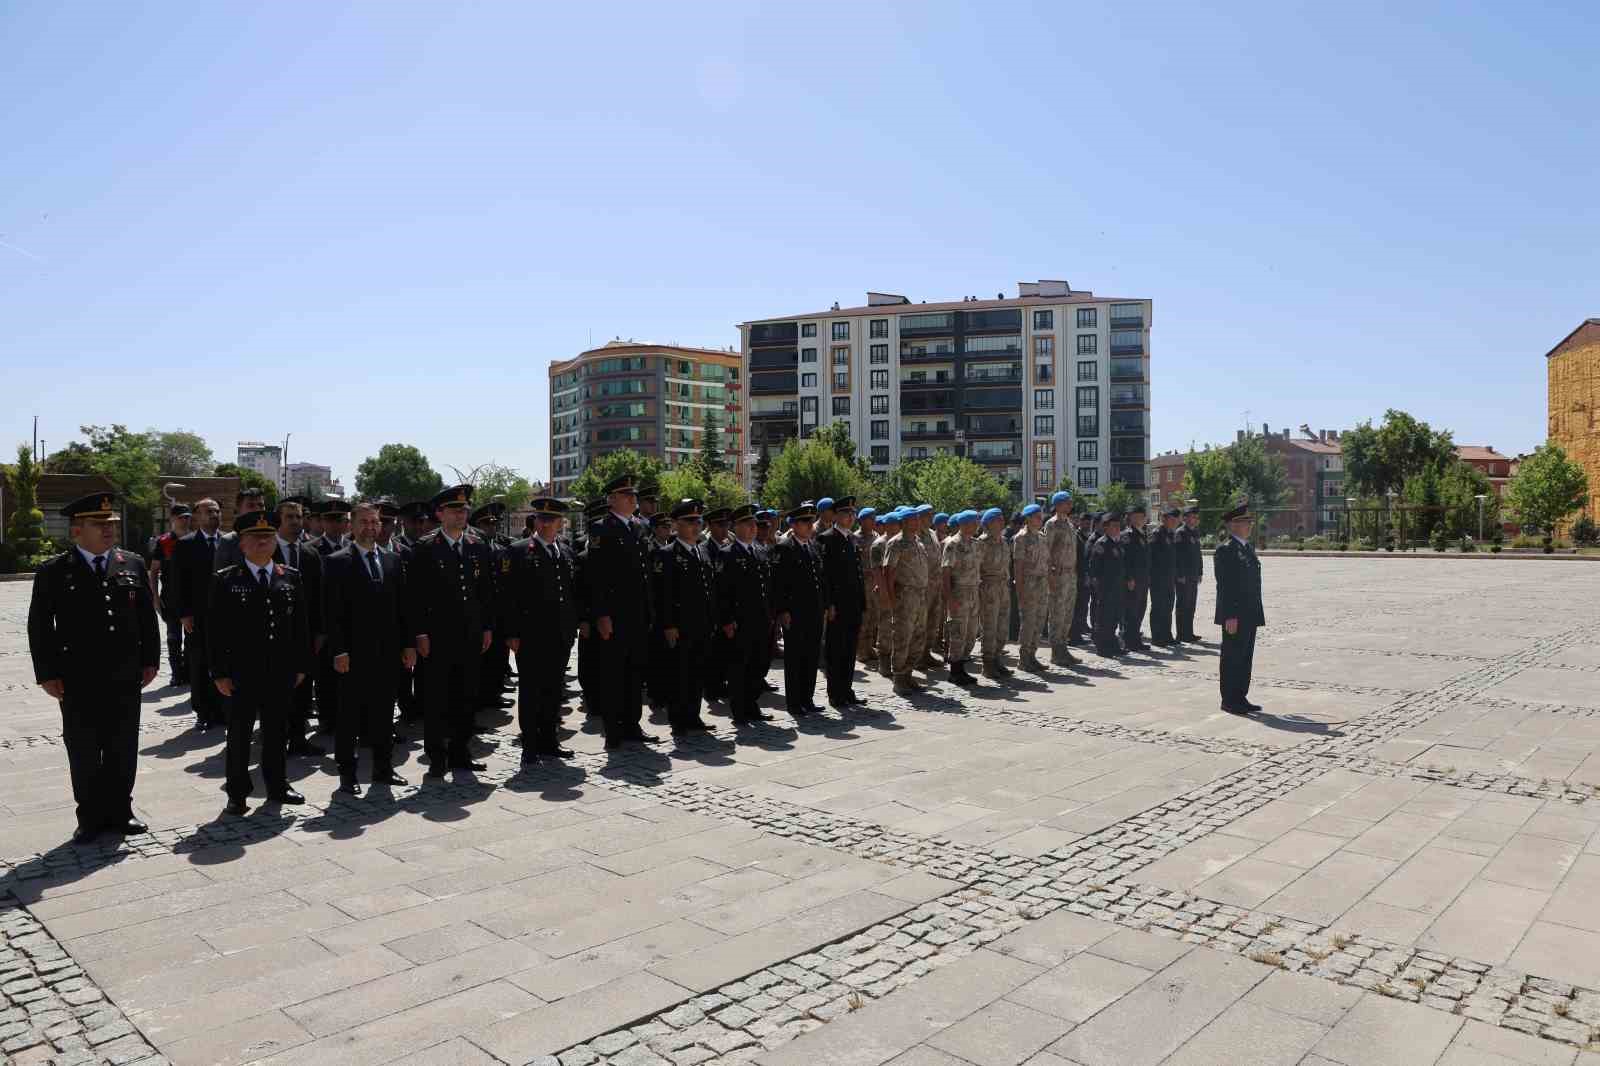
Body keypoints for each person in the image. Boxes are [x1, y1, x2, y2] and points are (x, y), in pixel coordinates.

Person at [28, 493, 159, 843]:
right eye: (99, 525)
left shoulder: (131, 563)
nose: (108, 530)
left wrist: (150, 660)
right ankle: (89, 815)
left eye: (112, 524)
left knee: (122, 744)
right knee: (84, 747)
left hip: (124, 673)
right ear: (76, 532)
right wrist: (47, 674)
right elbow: (40, 627)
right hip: (77, 677)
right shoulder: (54, 571)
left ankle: (121, 810)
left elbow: (147, 617)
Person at [208, 509, 310, 815]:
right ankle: (237, 792)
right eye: (256, 538)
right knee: (239, 735)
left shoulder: (290, 578)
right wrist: (219, 672)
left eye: (268, 537)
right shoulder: (226, 580)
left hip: (280, 671)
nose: (264, 543)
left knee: (277, 732)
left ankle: (278, 785)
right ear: (242, 544)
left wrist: (302, 665)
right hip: (241, 672)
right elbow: (215, 630)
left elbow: (301, 627)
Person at [324, 501, 413, 794]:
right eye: (364, 522)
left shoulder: (392, 560)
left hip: (387, 654)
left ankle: (383, 769)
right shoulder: (337, 561)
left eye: (374, 522)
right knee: (349, 716)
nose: (370, 527)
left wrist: (408, 645)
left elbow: (403, 608)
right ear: (351, 525)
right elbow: (331, 612)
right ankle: (347, 774)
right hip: (352, 654)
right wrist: (338, 651)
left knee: (383, 714)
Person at [407, 485, 495, 775]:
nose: (462, 514)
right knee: (436, 699)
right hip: (437, 637)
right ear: (440, 513)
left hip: (469, 634)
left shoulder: (476, 545)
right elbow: (415, 597)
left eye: (465, 510)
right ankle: (436, 757)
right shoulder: (425, 547)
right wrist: (419, 633)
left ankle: (461, 752)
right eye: (456, 510)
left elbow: (484, 592)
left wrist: (486, 626)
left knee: (466, 696)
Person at [501, 498, 579, 763]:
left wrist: (573, 626)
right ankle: (530, 744)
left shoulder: (565, 551)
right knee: (532, 690)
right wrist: (511, 632)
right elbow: (509, 596)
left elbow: (570, 593)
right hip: (531, 635)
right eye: (541, 518)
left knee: (554, 689)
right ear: (535, 521)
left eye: (551, 519)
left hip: (560, 635)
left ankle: (549, 740)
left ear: (560, 523)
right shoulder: (519, 550)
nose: (545, 523)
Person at [585, 475, 660, 750]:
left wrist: (650, 610)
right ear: (612, 499)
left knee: (634, 673)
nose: (632, 498)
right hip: (615, 616)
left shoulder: (640, 527)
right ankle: (613, 730)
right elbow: (596, 577)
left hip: (638, 613)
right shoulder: (601, 529)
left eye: (633, 494)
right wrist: (601, 615)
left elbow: (645, 574)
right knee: (614, 674)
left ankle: (632, 724)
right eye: (625, 494)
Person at [653, 499, 717, 736]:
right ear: (676, 524)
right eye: (690, 521)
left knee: (698, 672)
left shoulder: (703, 551)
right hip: (680, 625)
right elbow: (663, 594)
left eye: (698, 521)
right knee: (680, 673)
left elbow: (710, 589)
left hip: (702, 623)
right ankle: (678, 719)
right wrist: (668, 624)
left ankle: (694, 715)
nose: (695, 526)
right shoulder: (667, 554)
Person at [273, 499, 326, 757]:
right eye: (290, 517)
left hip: (304, 634)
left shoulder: (310, 554)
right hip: (273, 633)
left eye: (298, 517)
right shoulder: (266, 550)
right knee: (276, 691)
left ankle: (298, 739)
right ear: (279, 521)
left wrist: (319, 632)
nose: (295, 521)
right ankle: (274, 739)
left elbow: (318, 597)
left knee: (303, 688)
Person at [717, 504, 774, 725]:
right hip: (739, 621)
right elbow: (722, 591)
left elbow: (767, 586)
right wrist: (727, 620)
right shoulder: (727, 554)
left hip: (760, 618)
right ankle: (739, 710)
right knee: (739, 666)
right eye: (747, 524)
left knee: (758, 665)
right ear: (735, 527)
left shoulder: (760, 550)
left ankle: (752, 704)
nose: (752, 528)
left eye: (754, 524)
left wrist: (771, 613)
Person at [174, 497, 225, 730]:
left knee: (224, 661)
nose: (214, 515)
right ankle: (203, 711)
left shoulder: (230, 542)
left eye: (216, 511)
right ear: (197, 516)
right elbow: (178, 582)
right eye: (208, 512)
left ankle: (224, 708)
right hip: (198, 615)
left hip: (225, 615)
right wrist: (184, 613)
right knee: (199, 662)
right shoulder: (185, 544)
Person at [771, 503, 825, 717]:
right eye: (805, 522)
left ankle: (807, 698)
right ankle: (794, 702)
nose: (810, 525)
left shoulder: (813, 546)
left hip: (814, 611)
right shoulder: (784, 547)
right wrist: (782, 610)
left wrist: (825, 604)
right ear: (793, 525)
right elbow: (778, 584)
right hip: (795, 613)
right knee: (795, 658)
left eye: (811, 521)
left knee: (811, 656)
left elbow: (821, 579)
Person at [1216, 502, 1265, 715]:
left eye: (1250, 522)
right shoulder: (1226, 550)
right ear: (1233, 525)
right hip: (1235, 614)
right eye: (1246, 522)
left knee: (1245, 656)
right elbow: (1225, 586)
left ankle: (1241, 696)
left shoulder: (1246, 548)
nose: (1250, 525)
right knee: (1232, 656)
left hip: (1250, 612)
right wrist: (1230, 616)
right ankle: (1229, 699)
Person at [817, 495, 866, 708]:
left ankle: (847, 689)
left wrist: (862, 603)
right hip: (837, 605)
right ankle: (835, 693)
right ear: (835, 515)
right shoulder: (826, 539)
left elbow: (858, 575)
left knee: (850, 648)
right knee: (836, 649)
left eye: (853, 513)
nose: (850, 517)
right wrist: (829, 604)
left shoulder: (852, 539)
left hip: (853, 604)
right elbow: (825, 576)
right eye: (846, 513)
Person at [883, 506, 931, 694]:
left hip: (920, 595)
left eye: (918, 519)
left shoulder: (918, 542)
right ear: (903, 523)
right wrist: (892, 599)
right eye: (913, 520)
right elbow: (889, 572)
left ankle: (909, 674)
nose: (917, 522)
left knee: (918, 636)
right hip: (905, 596)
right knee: (903, 636)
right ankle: (899, 678)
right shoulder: (896, 543)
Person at [147, 502, 191, 686]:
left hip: (192, 597)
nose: (185, 521)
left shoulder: (196, 539)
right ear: (172, 519)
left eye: (187, 517)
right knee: (173, 638)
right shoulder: (164, 542)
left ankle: (189, 672)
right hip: (170, 597)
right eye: (181, 517)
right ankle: (176, 674)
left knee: (192, 639)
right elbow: (154, 570)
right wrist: (155, 598)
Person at [940, 511, 982, 685]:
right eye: (974, 523)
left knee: (971, 632)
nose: (977, 526)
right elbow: (946, 572)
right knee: (958, 632)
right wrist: (950, 599)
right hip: (959, 593)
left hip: (973, 592)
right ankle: (955, 671)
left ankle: (962, 667)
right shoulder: (953, 544)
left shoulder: (974, 543)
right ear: (964, 524)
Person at [701, 506, 734, 702]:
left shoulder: (727, 547)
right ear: (710, 526)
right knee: (713, 652)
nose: (724, 528)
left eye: (726, 524)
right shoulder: (705, 549)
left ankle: (721, 683)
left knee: (724, 651)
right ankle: (712, 688)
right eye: (720, 525)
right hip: (712, 609)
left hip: (726, 606)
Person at [1011, 504, 1049, 671]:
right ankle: (1024, 658)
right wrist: (1019, 591)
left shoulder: (1042, 537)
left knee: (1039, 622)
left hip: (1041, 584)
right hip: (1028, 585)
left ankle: (1032, 655)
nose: (1041, 520)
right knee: (1028, 622)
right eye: (1037, 517)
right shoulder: (1021, 538)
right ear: (1028, 518)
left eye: (1041, 517)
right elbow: (1017, 567)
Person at [975, 507, 1012, 679]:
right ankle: (988, 663)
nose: (1002, 522)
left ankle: (997, 659)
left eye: (1002, 519)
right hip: (988, 587)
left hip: (1003, 587)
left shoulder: (1003, 541)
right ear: (989, 523)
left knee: (1002, 627)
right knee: (989, 627)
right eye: (998, 520)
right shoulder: (982, 543)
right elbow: (976, 568)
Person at [1043, 492, 1078, 666]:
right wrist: (1050, 577)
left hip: (1070, 575)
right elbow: (1046, 552)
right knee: (1057, 613)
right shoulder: (1052, 524)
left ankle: (1063, 647)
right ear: (1057, 505)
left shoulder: (1069, 524)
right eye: (1066, 502)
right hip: (1058, 575)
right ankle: (1056, 651)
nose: (1070, 505)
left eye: (1070, 502)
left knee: (1067, 613)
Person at [1088, 512, 1127, 657]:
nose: (1117, 529)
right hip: (1105, 588)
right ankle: (1103, 648)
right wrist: (1099, 589)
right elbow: (1094, 569)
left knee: (1114, 618)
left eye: (1118, 526)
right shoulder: (1101, 544)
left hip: (1117, 587)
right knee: (1104, 619)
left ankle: (1113, 645)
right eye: (1114, 526)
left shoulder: (1117, 543)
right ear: (1105, 528)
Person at [869, 510, 901, 678]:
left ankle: (897, 661)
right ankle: (883, 662)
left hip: (900, 591)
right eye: (894, 524)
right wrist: (884, 592)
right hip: (884, 590)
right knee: (886, 626)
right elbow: (876, 570)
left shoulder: (900, 542)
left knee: (898, 627)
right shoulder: (879, 544)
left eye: (899, 524)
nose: (897, 527)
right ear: (887, 525)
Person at [1119, 504, 1151, 652]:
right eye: (1136, 516)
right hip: (1133, 580)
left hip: (1143, 578)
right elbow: (1126, 559)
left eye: (1141, 517)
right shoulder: (1127, 535)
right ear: (1130, 518)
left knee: (1140, 609)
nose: (1139, 519)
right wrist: (1129, 578)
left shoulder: (1142, 533)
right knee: (1130, 611)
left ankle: (1135, 639)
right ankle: (1128, 640)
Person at [1148, 507, 1180, 646]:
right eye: (1171, 520)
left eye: (1175, 520)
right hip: (1158, 578)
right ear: (1163, 519)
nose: (1174, 522)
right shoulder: (1156, 534)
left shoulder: (1170, 534)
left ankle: (1167, 635)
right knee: (1158, 608)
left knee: (1168, 607)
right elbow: (1151, 557)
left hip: (1169, 578)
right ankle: (1157, 637)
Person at [851, 507, 879, 665]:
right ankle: (861, 649)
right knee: (863, 617)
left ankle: (869, 647)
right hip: (862, 584)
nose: (873, 521)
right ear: (862, 521)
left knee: (874, 616)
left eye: (874, 518)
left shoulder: (876, 536)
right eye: (870, 518)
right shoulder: (855, 538)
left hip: (875, 583)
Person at [922, 512, 949, 665]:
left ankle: (926, 653)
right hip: (922, 586)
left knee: (933, 622)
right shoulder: (915, 535)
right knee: (921, 623)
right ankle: (918, 657)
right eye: (927, 515)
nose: (929, 518)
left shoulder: (931, 533)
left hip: (935, 584)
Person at [1175, 505, 1204, 642]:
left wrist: (1200, 572)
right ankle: (1182, 634)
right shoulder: (1180, 533)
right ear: (1185, 518)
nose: (1195, 519)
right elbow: (1178, 556)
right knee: (1183, 605)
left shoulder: (1195, 532)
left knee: (1191, 605)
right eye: (1192, 516)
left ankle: (1189, 632)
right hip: (1184, 576)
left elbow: (1198, 555)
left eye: (1196, 517)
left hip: (1193, 575)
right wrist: (1180, 574)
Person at [1069, 511, 1094, 644]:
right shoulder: (1076, 536)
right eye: (1085, 521)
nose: (1087, 524)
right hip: (1077, 576)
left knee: (1084, 605)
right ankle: (1074, 635)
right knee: (1077, 606)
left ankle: (1081, 628)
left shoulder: (1087, 536)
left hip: (1085, 575)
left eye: (1089, 522)